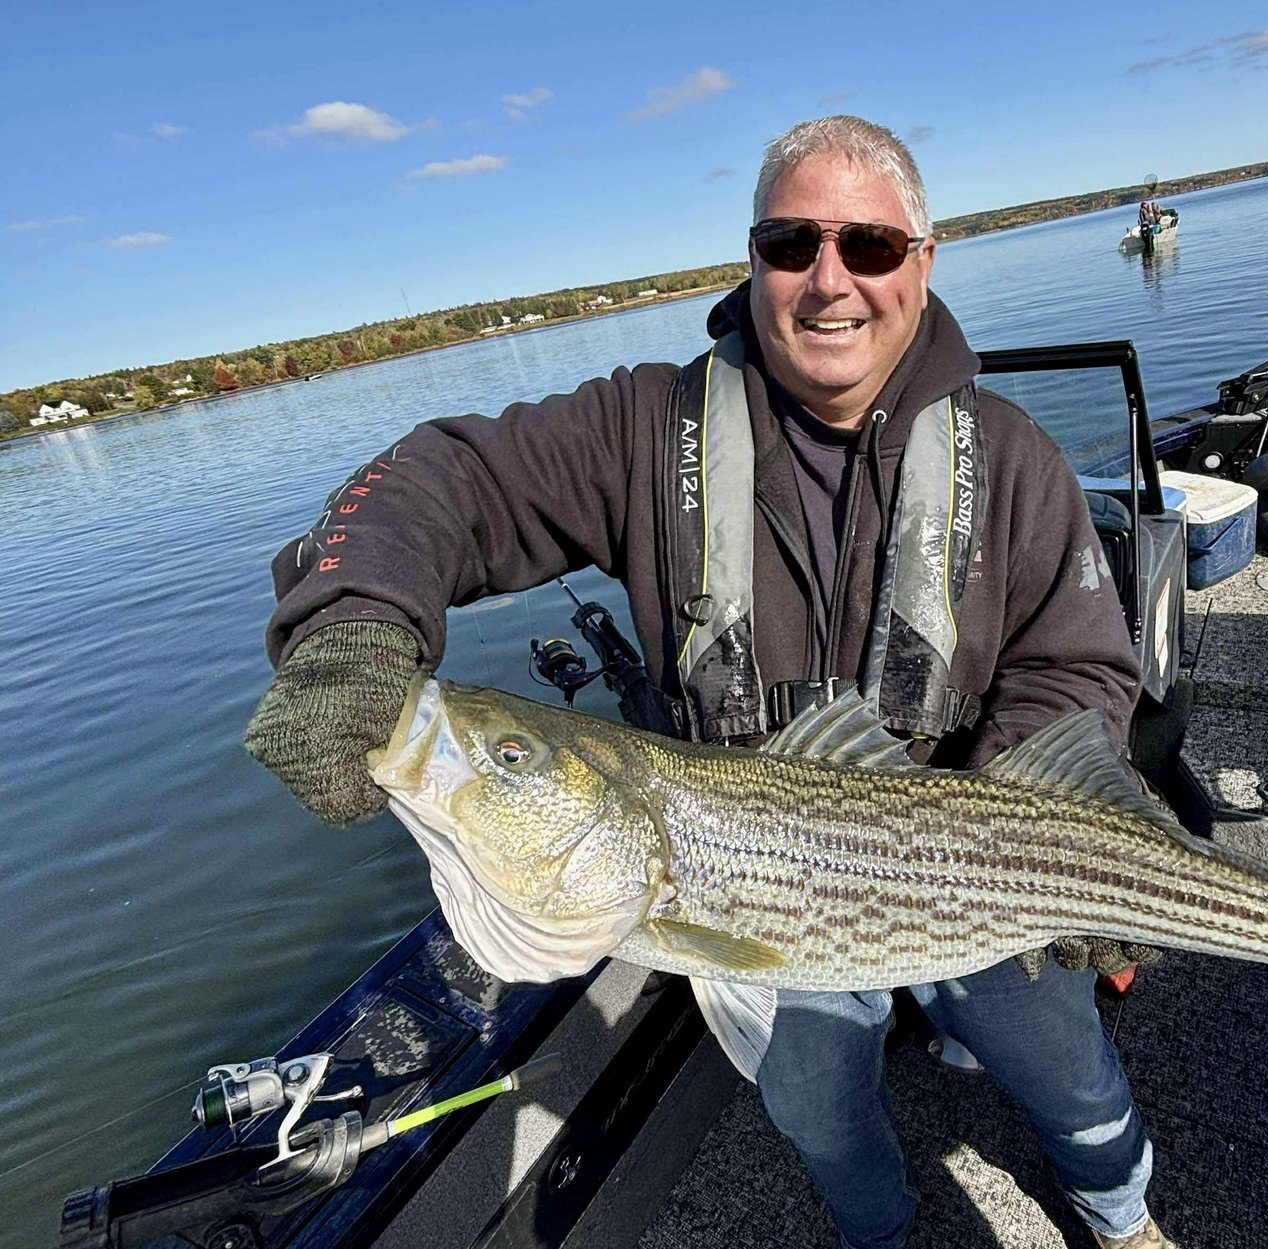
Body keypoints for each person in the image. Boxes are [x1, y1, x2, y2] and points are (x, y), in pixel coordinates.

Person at [244, 115, 1176, 1249]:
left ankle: (1121, 1215)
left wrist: (1042, 850)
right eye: (791, 243)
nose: (829, 280)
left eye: (870, 247)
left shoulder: (1016, 456)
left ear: (921, 263)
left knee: (1063, 1062)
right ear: (751, 259)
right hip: (756, 873)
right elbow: (445, 474)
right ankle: (882, 1229)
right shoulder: (645, 429)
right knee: (812, 1101)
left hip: (987, 843)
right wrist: (351, 621)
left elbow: (1077, 666)